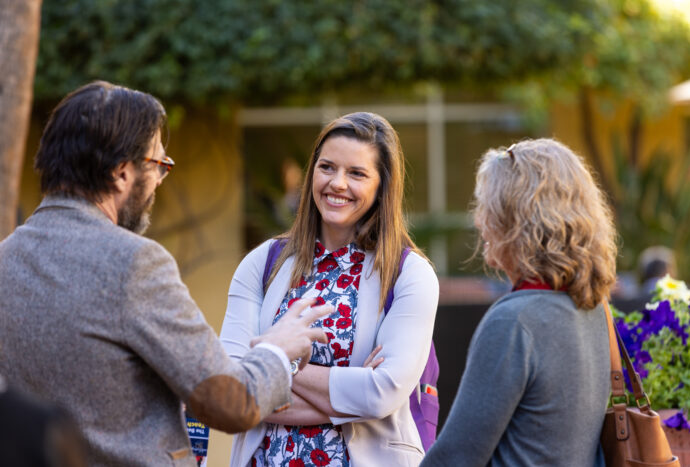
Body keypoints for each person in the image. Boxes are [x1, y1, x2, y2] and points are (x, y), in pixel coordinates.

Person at [0, 81, 331, 466]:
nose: (159, 180)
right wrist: (278, 348)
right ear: (122, 174)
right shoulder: (134, 264)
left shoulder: (6, 258)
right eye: (158, 164)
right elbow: (229, 402)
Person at [221, 112, 440, 466]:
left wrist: (271, 361)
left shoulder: (409, 275)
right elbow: (231, 388)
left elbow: (381, 393)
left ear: (382, 186)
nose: (337, 183)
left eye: (356, 173)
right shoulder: (262, 263)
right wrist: (351, 393)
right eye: (327, 167)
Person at [422, 138, 617, 466]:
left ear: (515, 221)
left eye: (486, 206)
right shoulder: (594, 308)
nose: (478, 220)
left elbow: (456, 458)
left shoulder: (515, 321)